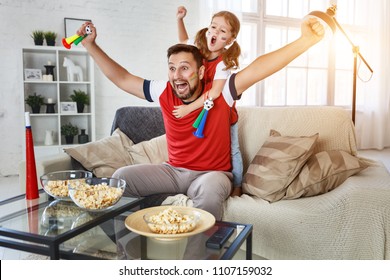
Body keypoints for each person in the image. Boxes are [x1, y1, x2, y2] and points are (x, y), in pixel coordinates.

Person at [76, 15, 324, 220]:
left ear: (201, 70)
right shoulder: (164, 90)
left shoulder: (222, 92)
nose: (177, 75)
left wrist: (306, 40)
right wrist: (90, 45)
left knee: (207, 195)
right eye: (172, 68)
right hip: (173, 171)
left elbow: (259, 68)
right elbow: (122, 78)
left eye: (184, 68)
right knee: (120, 178)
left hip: (212, 175)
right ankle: (127, 251)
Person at [175, 6, 244, 191]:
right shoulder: (198, 51)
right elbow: (183, 40)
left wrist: (188, 109)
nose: (215, 32)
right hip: (206, 114)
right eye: (213, 27)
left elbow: (214, 93)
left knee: (234, 150)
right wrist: (180, 19)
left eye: (222, 31)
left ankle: (237, 186)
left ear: (230, 39)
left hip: (224, 115)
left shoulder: (223, 64)